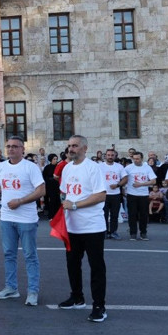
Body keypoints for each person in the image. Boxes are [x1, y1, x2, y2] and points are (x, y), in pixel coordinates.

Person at [58, 135, 108, 322]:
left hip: (92, 226)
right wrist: (65, 205)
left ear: (84, 149)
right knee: (72, 264)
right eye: (69, 145)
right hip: (72, 226)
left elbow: (101, 195)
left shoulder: (93, 168)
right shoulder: (67, 168)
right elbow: (65, 193)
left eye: (75, 146)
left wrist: (76, 205)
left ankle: (99, 305)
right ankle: (77, 297)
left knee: (96, 267)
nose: (71, 149)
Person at [0, 136, 45, 306]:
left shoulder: (31, 167)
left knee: (30, 255)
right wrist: (6, 197)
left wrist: (20, 201)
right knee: (9, 254)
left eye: (15, 146)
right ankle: (11, 288)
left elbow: (41, 190)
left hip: (26, 218)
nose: (11, 149)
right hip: (7, 217)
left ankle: (33, 291)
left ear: (23, 149)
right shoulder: (1, 166)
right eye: (8, 146)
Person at [123, 151, 157, 241]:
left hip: (143, 194)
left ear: (142, 158)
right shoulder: (128, 168)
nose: (136, 160)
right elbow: (123, 178)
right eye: (134, 159)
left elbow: (153, 181)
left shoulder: (147, 168)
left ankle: (143, 233)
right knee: (132, 215)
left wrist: (141, 184)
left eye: (137, 159)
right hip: (131, 194)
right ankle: (133, 233)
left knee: (143, 215)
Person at [99, 149, 127, 240]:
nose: (110, 157)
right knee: (104, 215)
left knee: (115, 215)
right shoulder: (100, 166)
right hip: (104, 194)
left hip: (115, 194)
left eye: (112, 155)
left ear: (115, 156)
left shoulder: (119, 167)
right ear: (105, 156)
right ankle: (105, 232)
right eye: (108, 155)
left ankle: (114, 232)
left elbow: (125, 178)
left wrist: (118, 185)